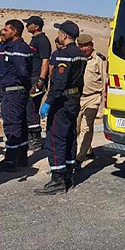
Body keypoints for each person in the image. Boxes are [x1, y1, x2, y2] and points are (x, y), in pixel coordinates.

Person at [35, 21, 87, 194]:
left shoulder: (61, 55)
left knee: (55, 137)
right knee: (70, 136)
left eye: (59, 32)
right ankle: (68, 174)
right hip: (74, 99)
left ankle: (57, 177)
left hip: (62, 101)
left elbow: (59, 82)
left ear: (64, 35)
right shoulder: (80, 54)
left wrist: (48, 102)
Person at [0, 20, 33, 171]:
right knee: (19, 123)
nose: (3, 32)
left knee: (12, 124)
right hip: (15, 90)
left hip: (14, 91)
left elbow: (22, 71)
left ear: (14, 32)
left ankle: (11, 160)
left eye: (6, 30)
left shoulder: (18, 48)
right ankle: (21, 157)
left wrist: (26, 87)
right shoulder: (13, 46)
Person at [75, 34, 106, 168]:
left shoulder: (99, 60)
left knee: (86, 128)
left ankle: (78, 159)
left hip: (92, 97)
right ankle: (87, 150)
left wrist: (103, 106)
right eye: (80, 46)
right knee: (75, 129)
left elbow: (106, 82)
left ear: (91, 45)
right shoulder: (77, 59)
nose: (83, 49)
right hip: (77, 98)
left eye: (86, 46)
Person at [23, 15, 51, 150]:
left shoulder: (42, 41)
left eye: (29, 24)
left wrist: (41, 80)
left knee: (32, 107)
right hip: (32, 77)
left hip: (37, 79)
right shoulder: (34, 40)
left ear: (36, 26)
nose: (27, 26)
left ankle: (36, 140)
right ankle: (30, 137)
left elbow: (45, 61)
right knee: (28, 108)